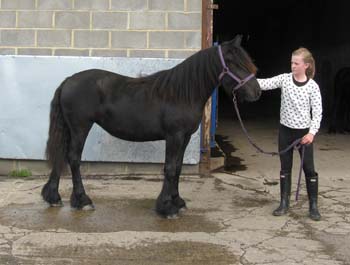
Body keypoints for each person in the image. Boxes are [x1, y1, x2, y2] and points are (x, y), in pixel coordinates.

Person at [257, 47, 322, 221]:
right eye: (291, 62)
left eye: (296, 63)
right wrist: (244, 80)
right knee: (285, 168)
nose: (292, 66)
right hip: (285, 131)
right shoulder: (285, 79)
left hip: (304, 135)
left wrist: (311, 134)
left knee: (309, 169)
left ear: (306, 65)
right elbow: (265, 83)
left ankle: (313, 206)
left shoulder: (312, 87)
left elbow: (317, 113)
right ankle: (284, 203)